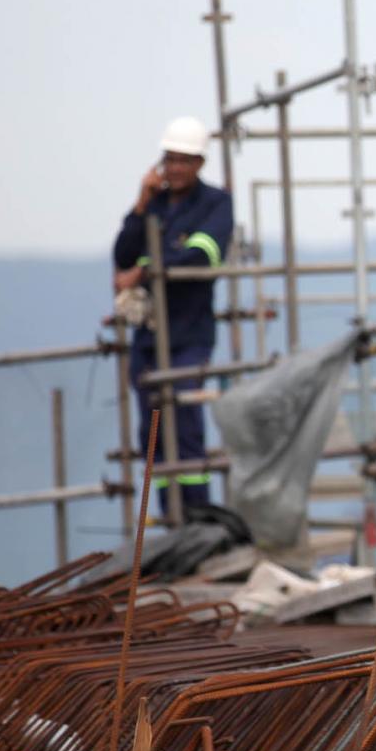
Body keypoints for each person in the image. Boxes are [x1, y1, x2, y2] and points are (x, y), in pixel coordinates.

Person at [111, 115, 233, 516]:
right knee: (153, 427)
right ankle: (169, 517)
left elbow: (202, 255)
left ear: (199, 163)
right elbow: (123, 254)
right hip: (150, 335)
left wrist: (146, 271)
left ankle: (195, 516)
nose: (176, 168)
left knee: (184, 419)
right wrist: (140, 202)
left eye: (185, 160)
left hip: (189, 332)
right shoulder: (156, 206)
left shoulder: (215, 204)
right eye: (171, 160)